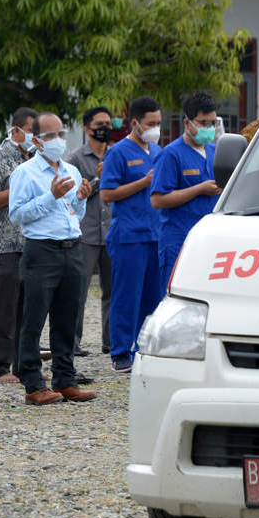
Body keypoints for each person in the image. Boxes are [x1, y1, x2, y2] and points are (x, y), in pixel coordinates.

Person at [9, 112, 97, 406]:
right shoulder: (25, 173)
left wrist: (82, 197)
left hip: (72, 247)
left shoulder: (70, 171)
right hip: (41, 249)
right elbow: (17, 215)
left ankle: (65, 379)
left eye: (61, 134)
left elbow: (74, 215)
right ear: (36, 140)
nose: (58, 140)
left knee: (68, 318)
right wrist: (50, 195)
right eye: (50, 136)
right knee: (33, 319)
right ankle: (33, 383)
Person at [100, 96, 165, 372]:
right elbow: (106, 194)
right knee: (127, 296)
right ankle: (120, 351)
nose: (155, 128)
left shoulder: (158, 151)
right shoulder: (119, 152)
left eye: (159, 123)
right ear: (135, 122)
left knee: (153, 297)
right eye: (150, 123)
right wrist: (143, 182)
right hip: (129, 234)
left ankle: (145, 348)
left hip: (155, 234)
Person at [0, 107, 37, 384]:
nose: (37, 137)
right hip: (5, 246)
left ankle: (26, 366)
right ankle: (0, 368)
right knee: (4, 310)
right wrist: (18, 193)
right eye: (32, 131)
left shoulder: (37, 159)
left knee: (28, 311)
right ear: (16, 131)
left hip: (32, 245)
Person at [150, 92, 223, 290]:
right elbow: (158, 200)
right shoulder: (171, 154)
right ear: (187, 123)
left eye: (212, 123)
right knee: (174, 294)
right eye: (203, 123)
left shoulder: (214, 151)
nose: (208, 129)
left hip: (209, 240)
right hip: (179, 240)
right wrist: (199, 189)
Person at [65, 106, 113, 358]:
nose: (104, 128)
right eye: (99, 124)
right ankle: (72, 343)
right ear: (87, 129)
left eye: (108, 123)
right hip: (86, 233)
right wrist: (96, 180)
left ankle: (111, 342)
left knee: (112, 290)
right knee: (78, 290)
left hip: (112, 231)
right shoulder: (75, 158)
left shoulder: (116, 154)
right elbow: (72, 196)